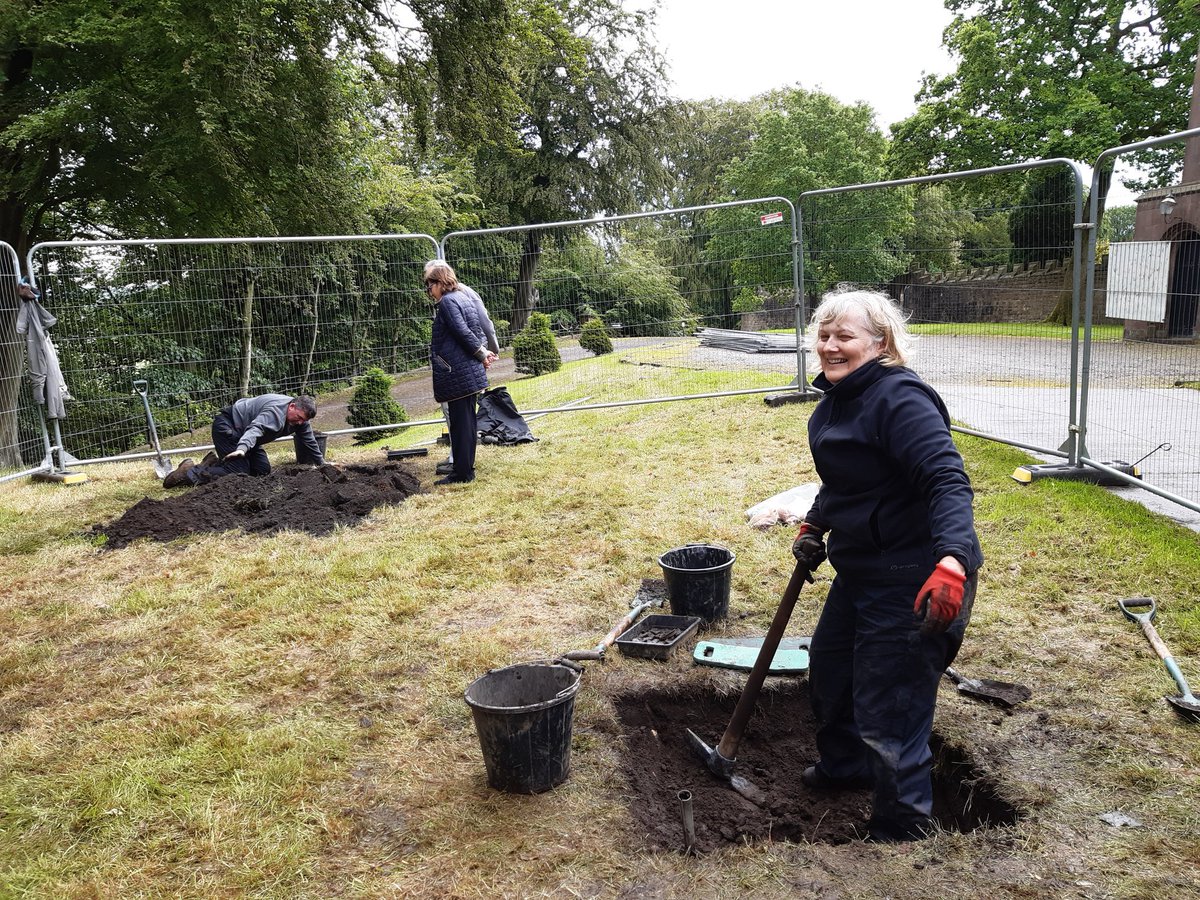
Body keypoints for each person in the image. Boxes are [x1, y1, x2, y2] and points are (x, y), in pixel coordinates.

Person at [790, 288, 983, 843]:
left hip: (917, 576)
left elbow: (947, 479)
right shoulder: (836, 401)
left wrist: (952, 560)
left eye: (844, 336)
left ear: (881, 343)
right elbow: (848, 481)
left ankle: (902, 825)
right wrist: (815, 523)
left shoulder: (901, 400)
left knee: (891, 702)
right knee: (831, 672)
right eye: (823, 335)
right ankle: (845, 768)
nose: (830, 346)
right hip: (863, 569)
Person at [423, 260, 499, 476]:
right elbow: (475, 330)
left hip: (458, 371)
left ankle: (462, 472)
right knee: (466, 422)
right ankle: (465, 469)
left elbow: (463, 332)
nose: (429, 291)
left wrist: (482, 354)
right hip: (467, 370)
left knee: (460, 424)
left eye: (430, 286)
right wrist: (481, 354)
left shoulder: (448, 302)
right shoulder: (462, 298)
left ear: (439, 282)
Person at [163, 394, 322, 487]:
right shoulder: (275, 412)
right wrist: (242, 448)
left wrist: (323, 464)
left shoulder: (300, 420)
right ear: (292, 406)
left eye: (304, 420)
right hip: (228, 427)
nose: (300, 422)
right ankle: (190, 472)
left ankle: (213, 463)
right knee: (238, 472)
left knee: (262, 470)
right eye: (299, 418)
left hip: (246, 435)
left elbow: (309, 440)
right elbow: (255, 428)